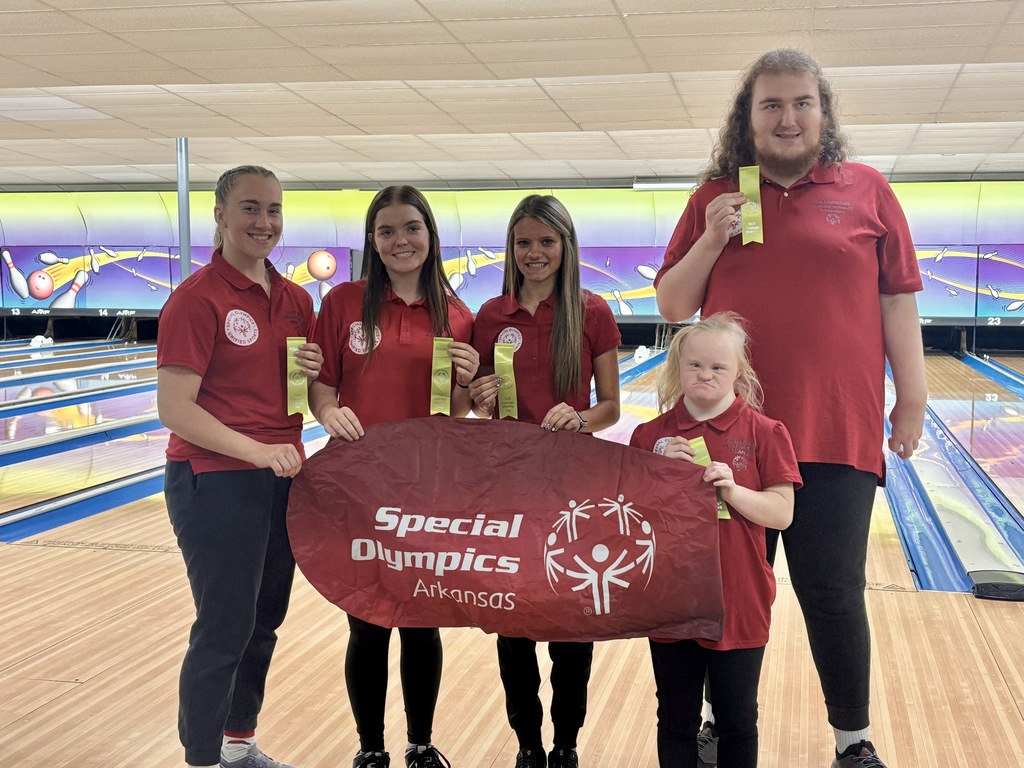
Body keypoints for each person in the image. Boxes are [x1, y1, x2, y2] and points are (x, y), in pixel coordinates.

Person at [654, 48, 927, 768]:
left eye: (802, 102)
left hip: (836, 426)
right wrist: (714, 233)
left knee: (833, 591)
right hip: (727, 435)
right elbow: (675, 305)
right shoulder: (715, 196)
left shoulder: (866, 190)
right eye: (771, 104)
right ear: (747, 119)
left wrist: (914, 399)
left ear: (824, 112)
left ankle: (853, 740)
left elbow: (896, 300)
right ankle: (718, 722)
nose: (788, 117)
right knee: (729, 589)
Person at [157, 165, 324, 768]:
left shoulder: (296, 299)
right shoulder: (196, 299)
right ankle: (201, 759)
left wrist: (315, 391)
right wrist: (256, 452)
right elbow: (174, 409)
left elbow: (298, 394)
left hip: (281, 478)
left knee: (263, 621)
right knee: (224, 625)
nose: (265, 222)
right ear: (221, 216)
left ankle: (238, 744)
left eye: (274, 209)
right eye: (251, 209)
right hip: (214, 479)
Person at [309, 185, 478, 768]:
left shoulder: (457, 315)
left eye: (411, 228)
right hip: (358, 486)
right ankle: (370, 750)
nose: (399, 240)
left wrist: (468, 381)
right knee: (368, 624)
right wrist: (328, 412)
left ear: (429, 236)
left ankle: (421, 745)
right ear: (372, 241)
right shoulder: (342, 303)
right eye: (386, 231)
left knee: (421, 623)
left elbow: (456, 413)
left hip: (428, 490)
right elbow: (320, 386)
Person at [469, 194, 621, 768]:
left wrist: (579, 419)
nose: (535, 253)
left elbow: (608, 407)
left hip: (573, 490)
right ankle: (528, 744)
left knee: (570, 626)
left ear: (566, 246)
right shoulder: (491, 316)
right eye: (524, 242)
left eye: (546, 242)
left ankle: (566, 744)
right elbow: (486, 405)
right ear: (511, 248)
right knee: (515, 623)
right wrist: (482, 398)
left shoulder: (593, 311)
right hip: (509, 487)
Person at [629, 312, 800, 768]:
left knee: (738, 718)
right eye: (695, 366)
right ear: (677, 369)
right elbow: (630, 518)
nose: (705, 375)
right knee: (676, 718)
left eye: (718, 368)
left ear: (738, 374)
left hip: (739, 598)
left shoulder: (766, 433)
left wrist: (733, 490)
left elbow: (782, 514)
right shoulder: (650, 437)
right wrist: (656, 468)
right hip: (672, 600)